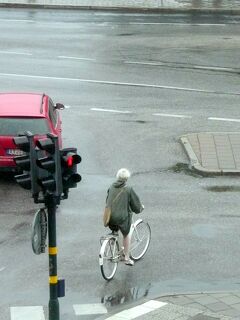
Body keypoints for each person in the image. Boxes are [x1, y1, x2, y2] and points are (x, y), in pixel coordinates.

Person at [105, 168, 144, 266]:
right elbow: (136, 205)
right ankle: (126, 257)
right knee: (126, 234)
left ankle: (112, 246)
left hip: (109, 216)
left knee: (114, 229)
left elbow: (108, 201)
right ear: (127, 178)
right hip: (122, 218)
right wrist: (140, 208)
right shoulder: (128, 189)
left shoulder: (111, 187)